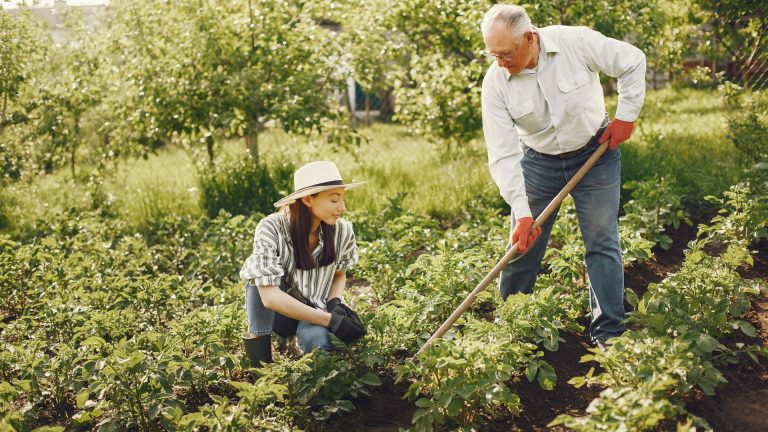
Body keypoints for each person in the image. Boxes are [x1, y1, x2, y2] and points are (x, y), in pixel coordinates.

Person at [479, 4, 646, 348]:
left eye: (505, 53)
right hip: (538, 163)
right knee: (523, 244)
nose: (499, 62)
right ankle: (510, 328)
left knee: (601, 239)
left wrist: (626, 116)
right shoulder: (496, 82)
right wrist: (522, 212)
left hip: (594, 153)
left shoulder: (575, 43)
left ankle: (609, 333)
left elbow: (632, 60)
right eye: (492, 54)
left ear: (530, 38)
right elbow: (503, 152)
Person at [239, 161, 367, 367]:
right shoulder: (271, 228)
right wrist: (330, 321)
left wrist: (334, 303)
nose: (342, 207)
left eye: (342, 198)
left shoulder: (343, 231)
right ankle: (259, 367)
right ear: (307, 199)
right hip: (279, 315)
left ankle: (299, 346)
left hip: (316, 309)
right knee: (256, 281)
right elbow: (269, 297)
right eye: (334, 200)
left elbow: (339, 274)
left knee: (319, 342)